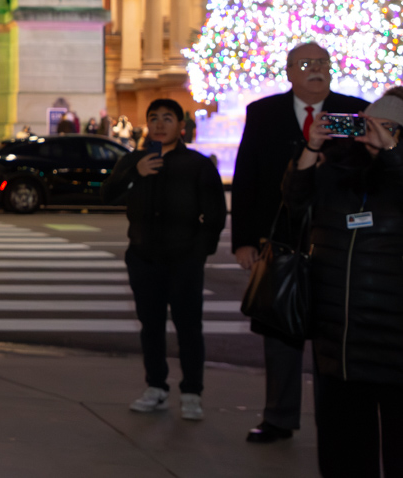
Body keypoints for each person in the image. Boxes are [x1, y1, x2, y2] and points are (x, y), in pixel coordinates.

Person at [232, 41, 367, 443]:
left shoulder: (355, 111)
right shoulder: (263, 114)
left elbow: (370, 173)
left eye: (322, 63)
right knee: (280, 331)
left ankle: (335, 420)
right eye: (306, 64)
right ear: (289, 71)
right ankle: (279, 417)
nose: (315, 70)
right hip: (281, 241)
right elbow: (247, 179)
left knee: (333, 338)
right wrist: (244, 241)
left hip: (337, 243)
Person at [285, 90, 403, 477]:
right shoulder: (336, 169)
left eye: (385, 127)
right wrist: (311, 146)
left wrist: (391, 154)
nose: (372, 133)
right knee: (345, 451)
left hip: (393, 337)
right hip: (340, 338)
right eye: (368, 123)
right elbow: (294, 202)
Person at [102, 98, 226, 421]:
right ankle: (156, 386)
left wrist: (199, 253)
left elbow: (214, 216)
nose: (159, 124)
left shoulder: (198, 165)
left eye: (167, 118)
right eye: (153, 118)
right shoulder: (133, 161)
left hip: (184, 259)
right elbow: (107, 195)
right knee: (151, 325)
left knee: (188, 327)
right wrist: (135, 175)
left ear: (180, 126)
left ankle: (191, 391)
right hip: (144, 257)